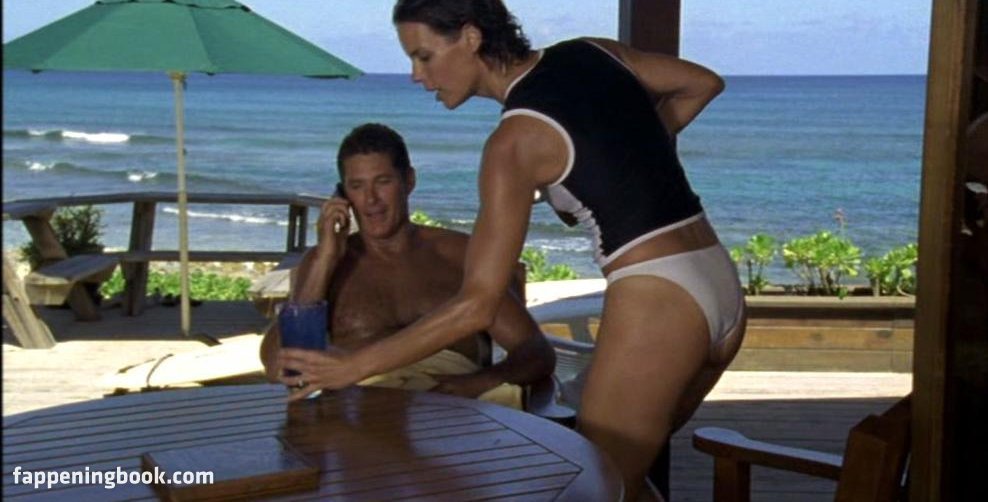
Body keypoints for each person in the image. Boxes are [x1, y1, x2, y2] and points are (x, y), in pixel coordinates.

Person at [286, 1, 747, 499]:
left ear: (470, 38)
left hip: (660, 302)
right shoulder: (591, 52)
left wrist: (353, 367)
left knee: (592, 486)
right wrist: (619, 164)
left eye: (424, 56)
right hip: (717, 282)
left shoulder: (513, 142)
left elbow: (477, 304)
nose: (417, 75)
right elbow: (702, 83)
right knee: (624, 485)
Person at [263, 123, 555, 409]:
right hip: (363, 410)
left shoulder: (461, 255)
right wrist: (325, 261)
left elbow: (535, 352)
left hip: (450, 408)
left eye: (383, 182)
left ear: (409, 181)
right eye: (357, 186)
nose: (371, 200)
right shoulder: (326, 264)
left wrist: (474, 383)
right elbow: (278, 365)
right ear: (342, 196)